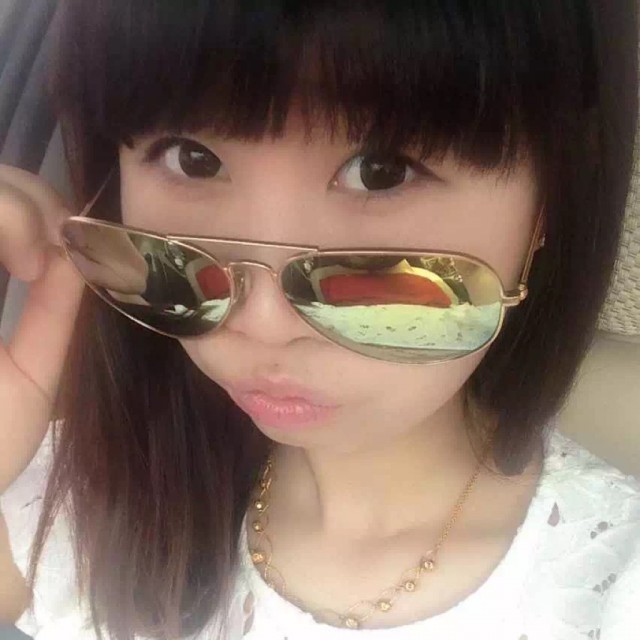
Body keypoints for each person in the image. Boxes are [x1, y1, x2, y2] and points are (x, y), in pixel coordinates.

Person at [0, 1, 639, 638]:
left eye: (381, 172)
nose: (263, 322)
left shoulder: (605, 581)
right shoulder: (67, 495)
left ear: (550, 198)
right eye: (191, 158)